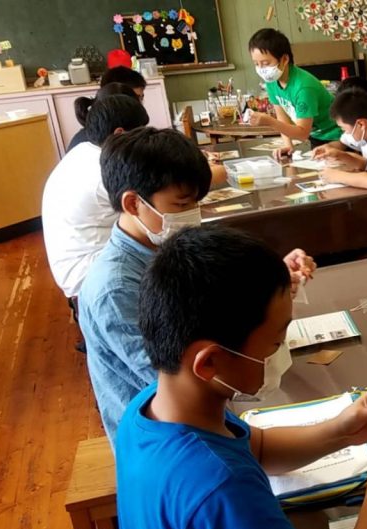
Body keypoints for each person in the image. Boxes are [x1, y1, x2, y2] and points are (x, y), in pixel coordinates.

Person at [118, 225, 367, 529]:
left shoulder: (150, 408)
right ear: (208, 362)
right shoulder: (222, 489)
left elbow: (259, 448)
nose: (280, 351)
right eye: (274, 343)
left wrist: (342, 429)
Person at [77, 127, 316, 442]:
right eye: (181, 205)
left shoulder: (162, 247)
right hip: (169, 439)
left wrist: (270, 284)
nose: (193, 215)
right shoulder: (115, 288)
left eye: (196, 203)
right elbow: (174, 384)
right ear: (134, 204)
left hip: (204, 411)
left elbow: (211, 306)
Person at [42, 94, 150, 301]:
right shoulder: (102, 171)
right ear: (119, 133)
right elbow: (153, 210)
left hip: (78, 270)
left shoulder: (84, 150)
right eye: (141, 132)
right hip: (93, 282)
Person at [247, 28, 342, 157]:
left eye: (265, 63)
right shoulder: (271, 81)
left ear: (284, 59)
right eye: (256, 64)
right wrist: (287, 144)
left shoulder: (304, 87)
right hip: (316, 137)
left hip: (338, 136)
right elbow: (282, 117)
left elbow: (302, 133)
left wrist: (269, 121)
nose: (261, 69)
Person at [67, 66, 148, 151]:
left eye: (141, 98)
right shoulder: (97, 144)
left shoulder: (100, 130)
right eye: (134, 98)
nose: (139, 104)